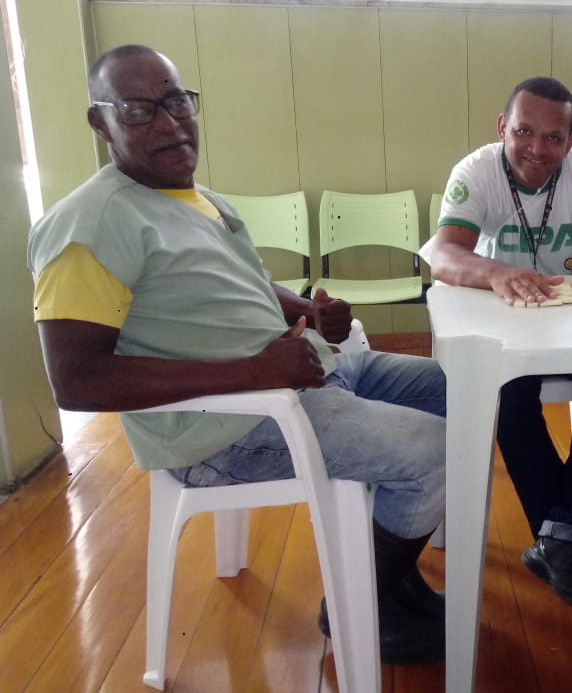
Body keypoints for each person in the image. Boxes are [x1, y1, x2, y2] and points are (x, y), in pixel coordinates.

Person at [28, 44, 448, 664]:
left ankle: (393, 575)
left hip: (304, 371)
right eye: (139, 109)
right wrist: (252, 372)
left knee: (460, 390)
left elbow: (243, 284)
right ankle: (363, 602)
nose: (170, 123)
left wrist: (309, 313)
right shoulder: (88, 228)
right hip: (230, 427)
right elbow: (77, 381)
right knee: (435, 450)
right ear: (101, 122)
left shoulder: (198, 197)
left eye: (177, 101)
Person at [429, 76, 572, 624]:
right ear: (502, 128)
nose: (537, 148)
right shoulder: (476, 171)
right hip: (502, 314)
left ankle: (559, 542)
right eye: (524, 132)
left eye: (554, 138)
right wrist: (496, 272)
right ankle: (569, 544)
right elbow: (443, 254)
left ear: (570, 141)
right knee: (508, 392)